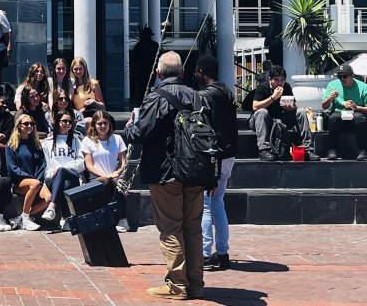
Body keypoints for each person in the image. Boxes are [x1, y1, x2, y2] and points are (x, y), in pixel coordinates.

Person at [122, 51, 205, 301]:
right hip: (196, 171)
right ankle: (196, 283)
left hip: (165, 171)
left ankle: (177, 286)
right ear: (182, 73)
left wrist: (128, 127)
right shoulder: (198, 97)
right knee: (192, 228)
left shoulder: (157, 97)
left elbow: (140, 133)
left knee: (170, 228)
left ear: (158, 73)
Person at [194, 55, 239, 271]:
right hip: (229, 153)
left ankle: (203, 253)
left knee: (205, 205)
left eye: (197, 72)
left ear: (202, 72)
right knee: (218, 202)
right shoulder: (227, 92)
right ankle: (222, 253)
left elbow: (202, 129)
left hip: (213, 155)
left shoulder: (204, 96)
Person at [249, 65, 320, 161]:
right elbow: (255, 106)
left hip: (280, 117)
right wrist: (273, 97)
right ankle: (264, 150)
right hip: (262, 119)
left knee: (301, 112)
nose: (279, 83)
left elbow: (295, 105)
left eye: (282, 80)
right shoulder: (262, 87)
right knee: (262, 112)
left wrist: (291, 108)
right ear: (270, 79)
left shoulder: (286, 87)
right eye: (276, 80)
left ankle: (307, 149)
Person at [81, 110, 130, 233]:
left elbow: (123, 162)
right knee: (108, 182)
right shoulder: (88, 141)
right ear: (94, 125)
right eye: (99, 124)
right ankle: (114, 217)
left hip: (115, 177)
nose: (103, 126)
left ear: (109, 124)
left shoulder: (117, 139)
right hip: (96, 179)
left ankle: (122, 220)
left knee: (117, 184)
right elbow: (89, 166)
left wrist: (117, 173)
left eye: (105, 123)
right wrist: (107, 176)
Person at [41, 110, 85, 230]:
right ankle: (67, 219)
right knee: (64, 184)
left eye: (70, 121)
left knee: (62, 171)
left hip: (73, 175)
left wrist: (64, 168)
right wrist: (51, 173)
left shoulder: (76, 140)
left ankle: (52, 207)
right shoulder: (47, 143)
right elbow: (46, 165)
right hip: (54, 178)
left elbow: (81, 163)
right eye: (64, 121)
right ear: (57, 122)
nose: (67, 124)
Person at [5, 114, 50, 231]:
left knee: (48, 198)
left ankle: (22, 217)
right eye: (26, 124)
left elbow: (42, 164)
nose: (29, 126)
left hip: (36, 181)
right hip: (19, 182)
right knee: (34, 184)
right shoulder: (11, 145)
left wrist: (38, 179)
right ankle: (25, 219)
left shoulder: (36, 144)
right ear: (19, 126)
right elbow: (12, 168)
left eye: (32, 124)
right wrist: (31, 178)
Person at [321, 63, 367, 161]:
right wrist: (330, 98)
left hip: (356, 111)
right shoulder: (333, 85)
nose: (342, 79)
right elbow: (324, 106)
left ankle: (363, 150)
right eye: (340, 76)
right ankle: (332, 150)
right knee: (333, 117)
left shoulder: (363, 86)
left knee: (360, 118)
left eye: (345, 76)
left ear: (352, 75)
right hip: (339, 111)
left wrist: (356, 107)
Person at [129, 26, 159, 105]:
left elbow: (133, 60)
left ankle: (143, 102)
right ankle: (147, 102)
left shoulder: (139, 45)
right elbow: (158, 59)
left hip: (141, 71)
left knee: (141, 89)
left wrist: (133, 70)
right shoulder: (155, 45)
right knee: (148, 87)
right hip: (149, 71)